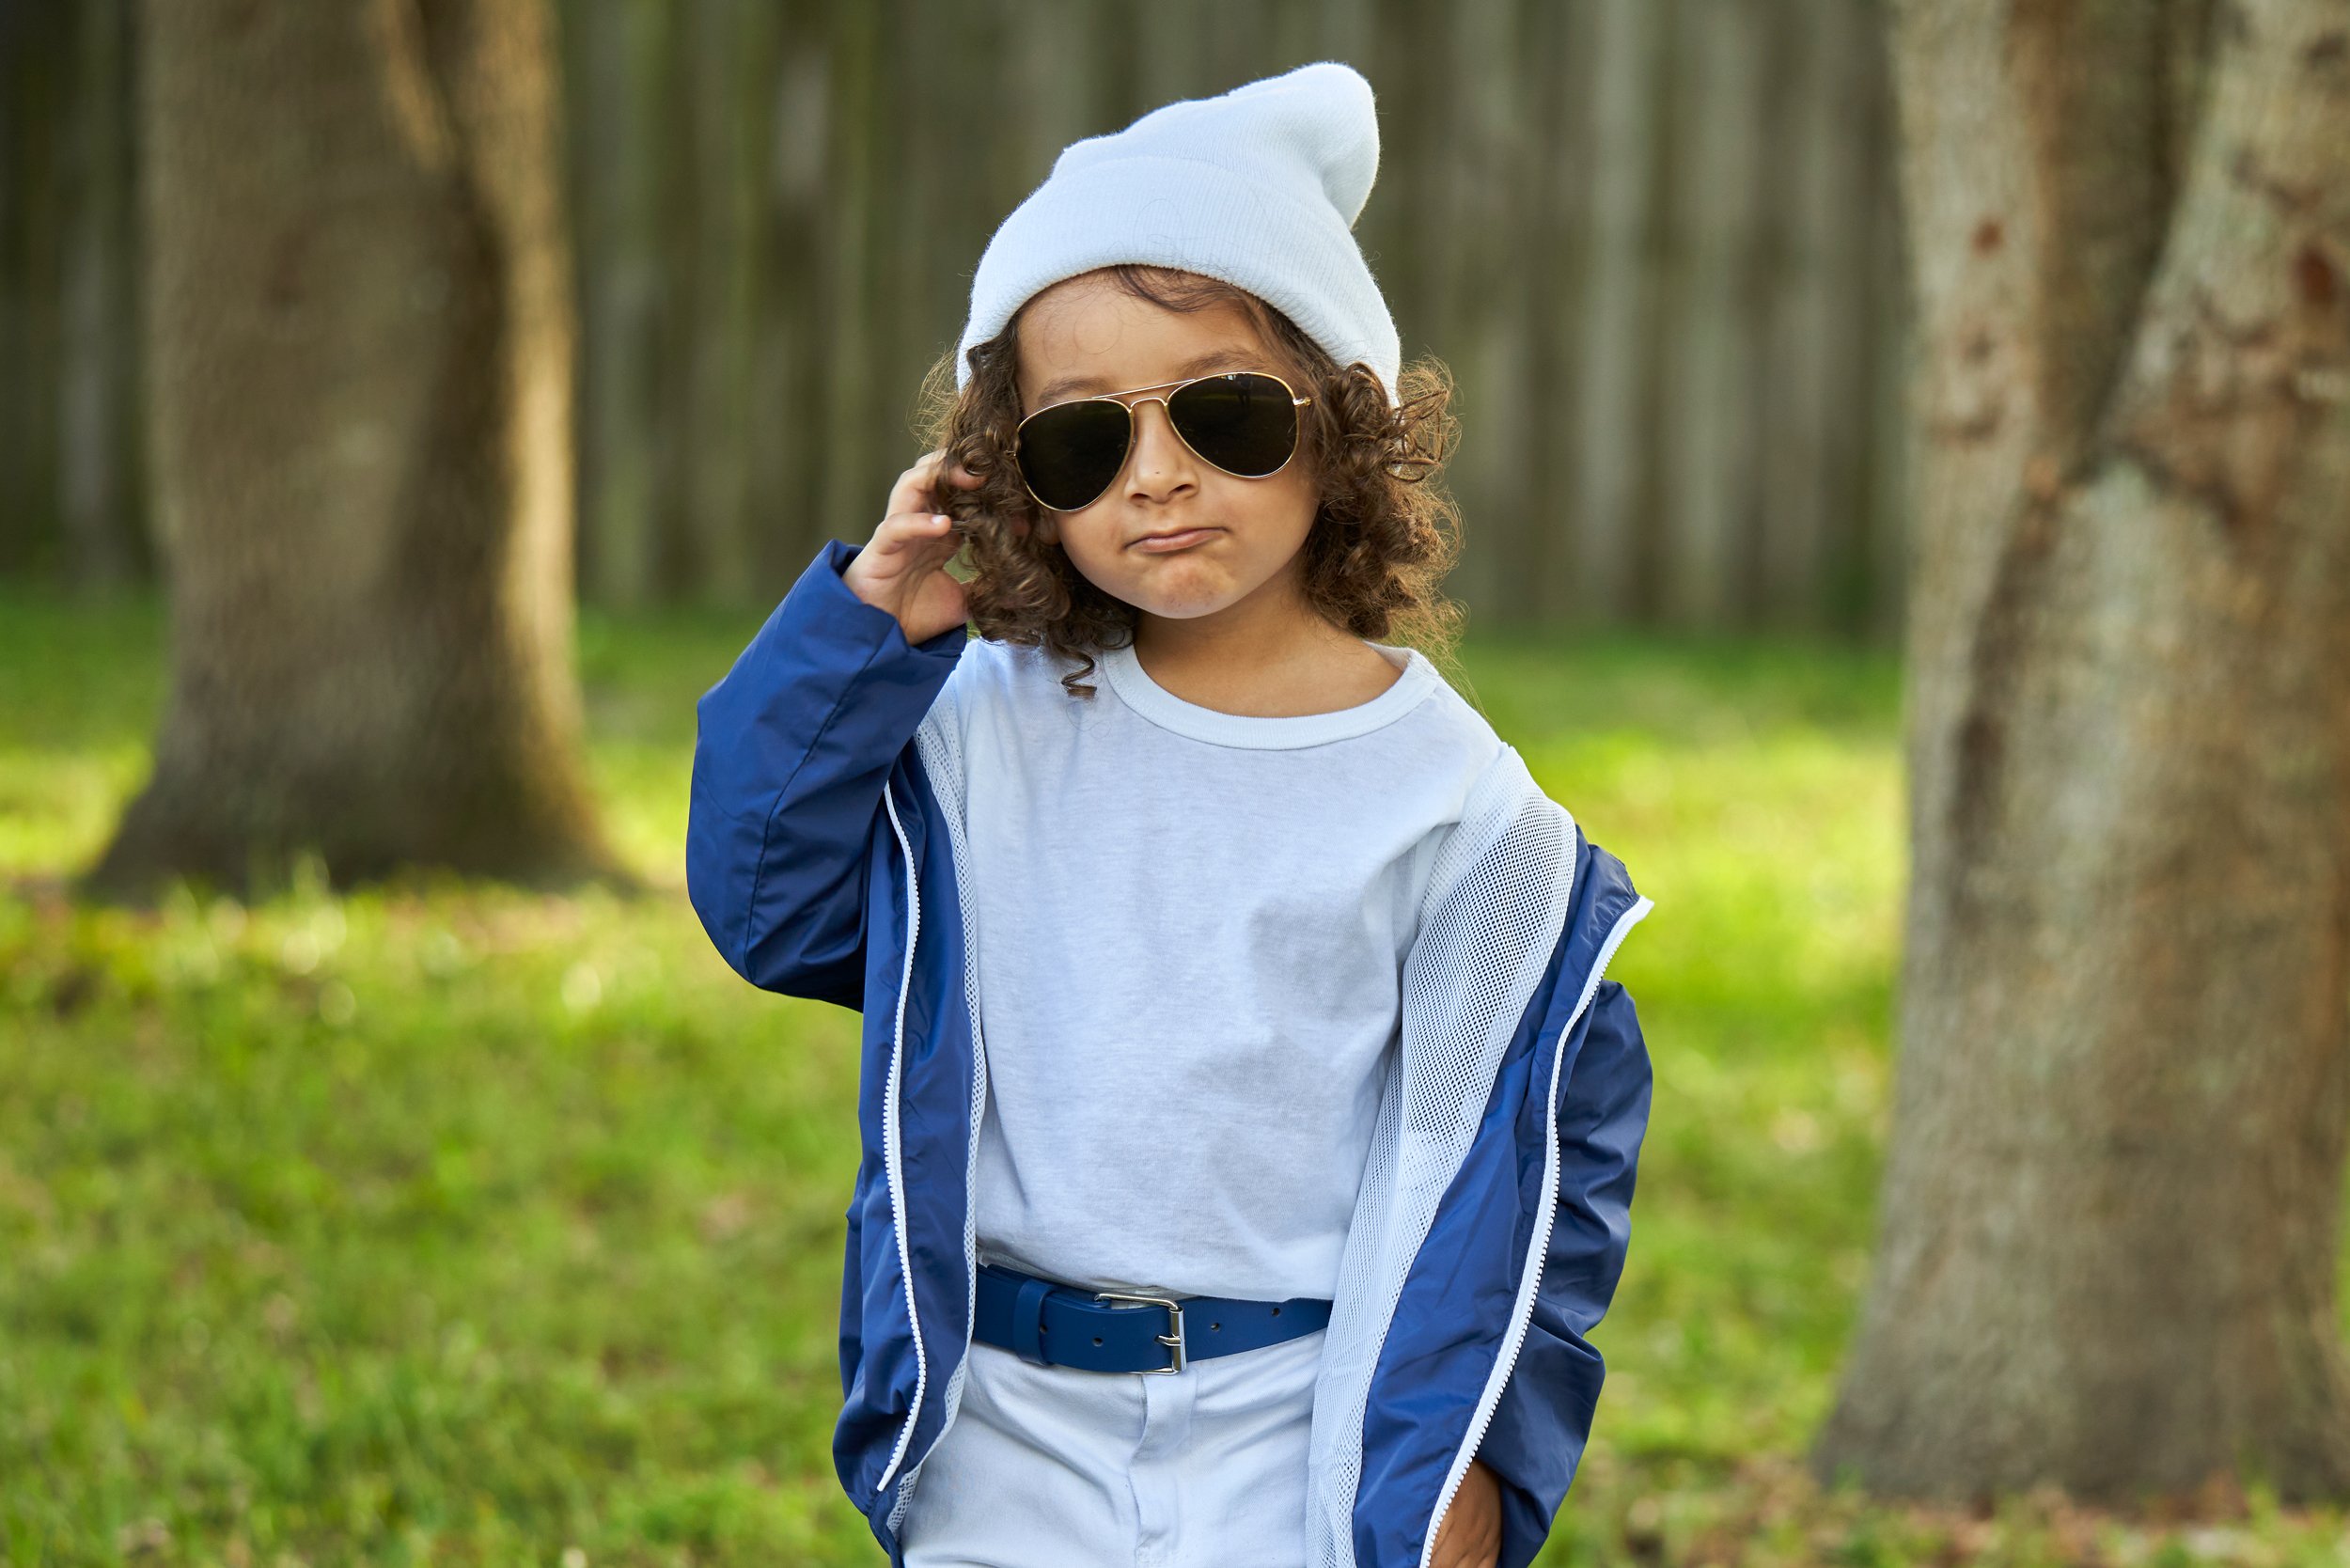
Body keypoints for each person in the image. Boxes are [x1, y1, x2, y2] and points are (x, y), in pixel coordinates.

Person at [685, 60, 1654, 1568]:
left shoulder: (1461, 808)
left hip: (1296, 1418)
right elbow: (768, 904)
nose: (1158, 477)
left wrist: (1473, 1470)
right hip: (1002, 1418)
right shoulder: (974, 727)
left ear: (1342, 422)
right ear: (1018, 481)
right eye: (1085, 440)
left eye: (1223, 414)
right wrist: (864, 640)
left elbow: (1536, 1186)